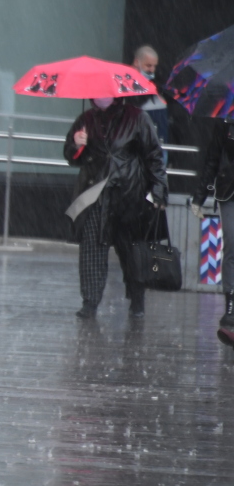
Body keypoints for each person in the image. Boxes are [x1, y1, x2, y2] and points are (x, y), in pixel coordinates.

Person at [64, 96, 168, 320]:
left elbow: (154, 155)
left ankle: (137, 297)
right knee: (92, 248)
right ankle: (90, 301)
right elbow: (71, 157)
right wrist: (76, 144)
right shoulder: (86, 119)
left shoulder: (138, 118)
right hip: (95, 195)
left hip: (129, 195)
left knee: (131, 251)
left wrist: (158, 189)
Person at [196, 119, 234, 346]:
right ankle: (230, 306)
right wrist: (199, 196)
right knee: (231, 243)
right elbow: (211, 159)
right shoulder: (225, 123)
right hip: (229, 190)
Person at [131, 45, 170, 144]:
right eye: (148, 65)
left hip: (160, 124)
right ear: (136, 62)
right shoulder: (127, 79)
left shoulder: (157, 79)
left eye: (154, 66)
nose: (152, 70)